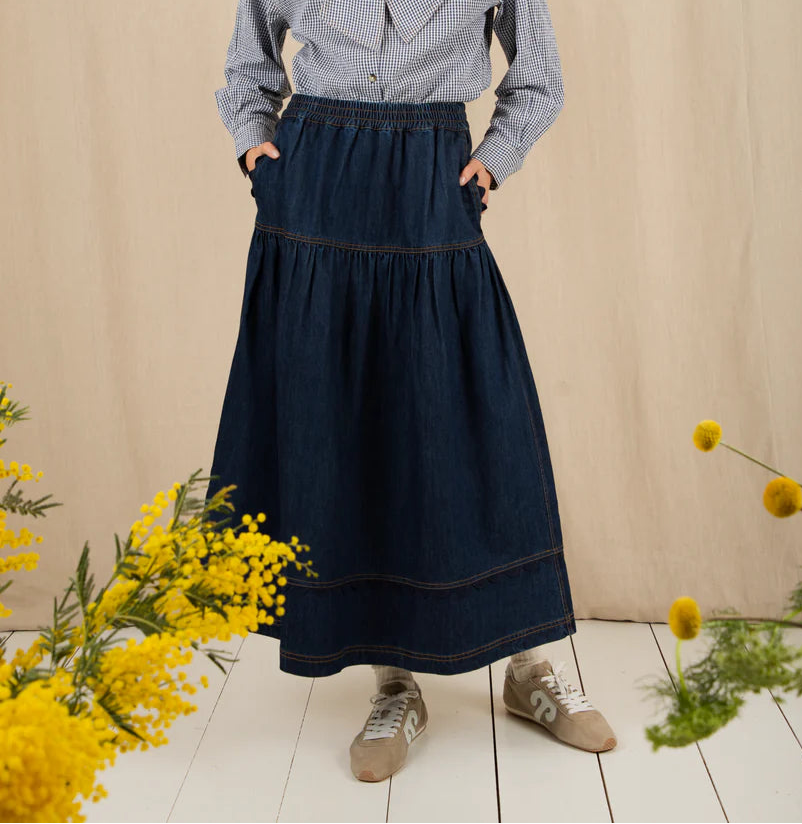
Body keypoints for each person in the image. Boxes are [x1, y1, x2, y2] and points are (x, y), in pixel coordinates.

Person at [207, 0, 616, 782]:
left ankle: (528, 666)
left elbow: (539, 78)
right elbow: (248, 64)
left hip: (431, 175)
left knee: (476, 421)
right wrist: (254, 152)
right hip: (313, 183)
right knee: (341, 431)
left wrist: (495, 157)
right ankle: (393, 683)